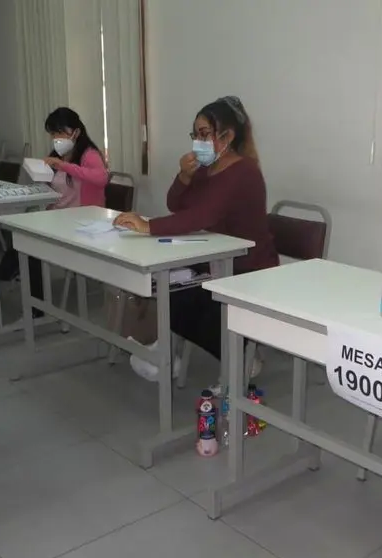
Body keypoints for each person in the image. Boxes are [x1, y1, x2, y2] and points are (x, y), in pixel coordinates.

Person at [114, 96, 278, 379]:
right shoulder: (206, 168)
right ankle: (167, 352)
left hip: (246, 268)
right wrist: (184, 176)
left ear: (227, 136)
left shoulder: (244, 171)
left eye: (205, 134)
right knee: (170, 289)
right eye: (195, 135)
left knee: (186, 299)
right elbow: (176, 205)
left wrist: (148, 226)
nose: (198, 142)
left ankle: (242, 360)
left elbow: (202, 215)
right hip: (213, 259)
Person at [0, 107, 108, 308]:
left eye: (60, 132)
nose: (56, 138)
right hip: (57, 216)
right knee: (23, 234)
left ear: (76, 132)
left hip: (81, 221)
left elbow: (101, 177)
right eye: (53, 134)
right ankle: (11, 280)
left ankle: (33, 303)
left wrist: (63, 166)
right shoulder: (58, 155)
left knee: (31, 244)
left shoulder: (88, 154)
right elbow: (50, 184)